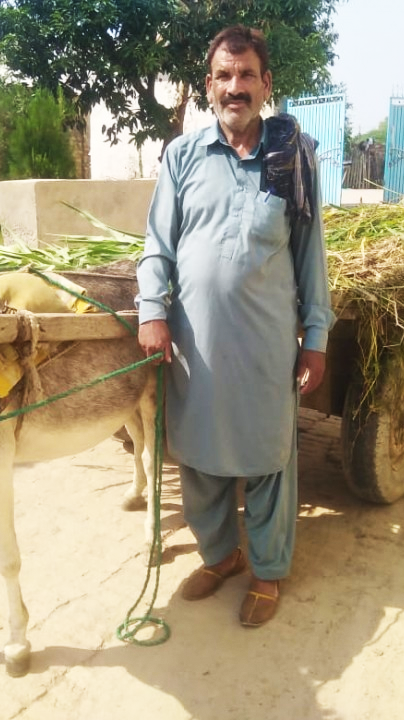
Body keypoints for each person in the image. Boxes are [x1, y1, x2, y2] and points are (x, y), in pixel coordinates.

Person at [136, 25, 335, 627]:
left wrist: (317, 337)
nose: (235, 87)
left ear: (265, 84)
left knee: (268, 460)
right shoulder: (182, 156)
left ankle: (269, 573)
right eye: (224, 76)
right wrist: (151, 310)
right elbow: (157, 245)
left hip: (265, 344)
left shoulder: (291, 159)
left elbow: (310, 256)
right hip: (194, 345)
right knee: (197, 460)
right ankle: (220, 556)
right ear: (208, 87)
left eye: (247, 74)